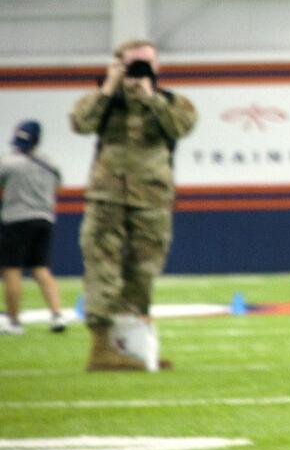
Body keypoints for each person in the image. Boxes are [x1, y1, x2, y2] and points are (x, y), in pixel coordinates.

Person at [70, 39, 198, 371]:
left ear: (157, 68)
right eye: (133, 64)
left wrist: (151, 98)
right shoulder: (104, 101)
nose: (141, 70)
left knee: (144, 271)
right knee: (103, 270)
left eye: (147, 64)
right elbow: (80, 124)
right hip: (107, 197)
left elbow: (181, 127)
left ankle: (133, 348)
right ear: (117, 64)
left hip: (152, 198)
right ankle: (100, 349)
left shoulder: (171, 102)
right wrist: (109, 87)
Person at [0, 120, 69, 335]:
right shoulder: (50, 164)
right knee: (41, 268)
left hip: (16, 220)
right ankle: (57, 314)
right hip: (44, 219)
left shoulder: (9, 163)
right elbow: (59, 185)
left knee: (12, 269)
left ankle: (13, 320)